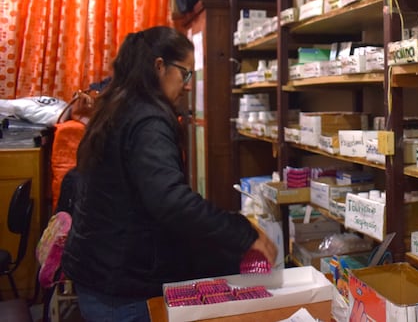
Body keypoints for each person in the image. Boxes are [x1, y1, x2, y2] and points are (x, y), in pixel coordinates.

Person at [62, 26, 277, 321]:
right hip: (121, 286)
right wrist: (243, 232)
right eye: (185, 74)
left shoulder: (115, 105)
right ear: (159, 66)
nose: (188, 85)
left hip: (98, 272)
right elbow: (171, 201)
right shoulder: (148, 118)